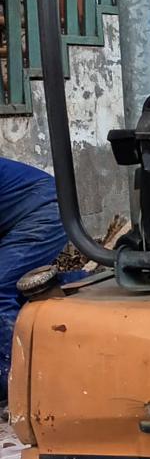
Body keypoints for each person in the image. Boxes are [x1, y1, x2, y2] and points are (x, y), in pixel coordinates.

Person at [0, 158, 68, 400]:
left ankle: (13, 386)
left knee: (0, 288)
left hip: (44, 211)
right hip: (28, 211)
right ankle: (75, 288)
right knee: (12, 282)